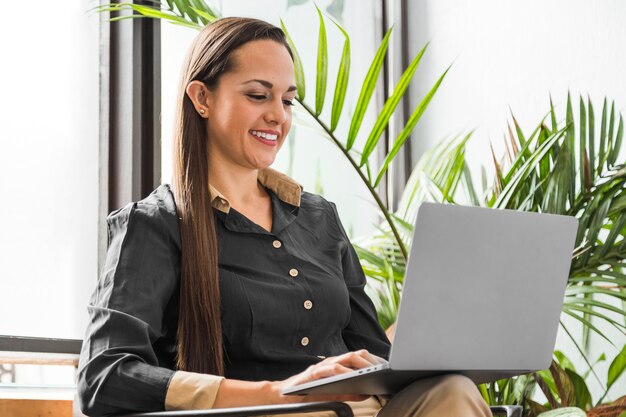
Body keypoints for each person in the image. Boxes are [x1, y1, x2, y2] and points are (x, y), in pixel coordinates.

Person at [77, 17, 492, 417]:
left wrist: (425, 334)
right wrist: (283, 393)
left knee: (453, 391)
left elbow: (373, 356)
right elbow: (103, 377)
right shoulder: (155, 225)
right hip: (266, 413)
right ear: (202, 98)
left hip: (358, 411)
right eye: (258, 95)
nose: (279, 115)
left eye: (287, 99)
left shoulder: (319, 218)